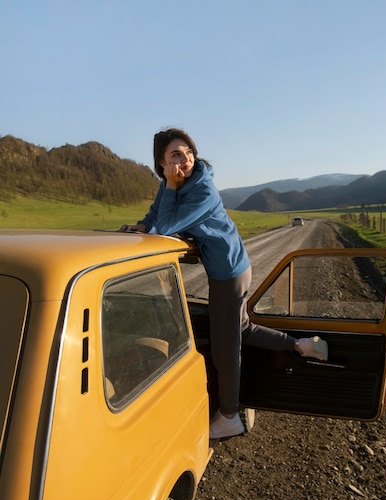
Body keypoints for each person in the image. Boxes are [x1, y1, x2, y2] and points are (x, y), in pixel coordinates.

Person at [120, 128, 328, 440]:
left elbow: (164, 227)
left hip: (228, 272)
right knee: (241, 330)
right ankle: (302, 344)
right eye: (176, 154)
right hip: (231, 267)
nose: (186, 158)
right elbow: (153, 219)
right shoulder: (172, 184)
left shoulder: (202, 189)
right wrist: (137, 226)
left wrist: (172, 188)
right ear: (162, 162)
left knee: (225, 350)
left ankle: (229, 414)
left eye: (188, 151)